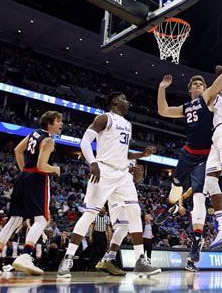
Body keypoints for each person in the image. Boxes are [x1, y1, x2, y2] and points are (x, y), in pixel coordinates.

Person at [155, 41, 222, 272]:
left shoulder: (208, 99)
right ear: (189, 89)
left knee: (199, 198)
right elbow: (162, 111)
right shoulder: (186, 107)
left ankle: (195, 243)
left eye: (201, 82)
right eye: (194, 82)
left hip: (205, 156)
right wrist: (162, 88)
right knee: (174, 185)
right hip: (187, 152)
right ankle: (170, 207)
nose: (197, 84)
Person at [57, 92, 161, 278]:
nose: (127, 101)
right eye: (124, 98)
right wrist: (92, 163)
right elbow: (85, 142)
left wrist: (141, 156)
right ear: (114, 101)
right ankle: (68, 258)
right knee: (90, 214)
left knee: (134, 211)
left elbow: (123, 153)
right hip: (104, 171)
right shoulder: (105, 118)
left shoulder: (128, 124)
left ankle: (140, 260)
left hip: (122, 174)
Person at [0, 111, 63, 276]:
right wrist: (55, 169)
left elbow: (18, 150)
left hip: (23, 177)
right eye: (58, 121)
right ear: (49, 123)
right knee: (42, 219)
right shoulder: (48, 140)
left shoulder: (33, 134)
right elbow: (42, 166)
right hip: (38, 179)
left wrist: (24, 171)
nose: (61, 124)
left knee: (14, 220)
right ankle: (26, 255)